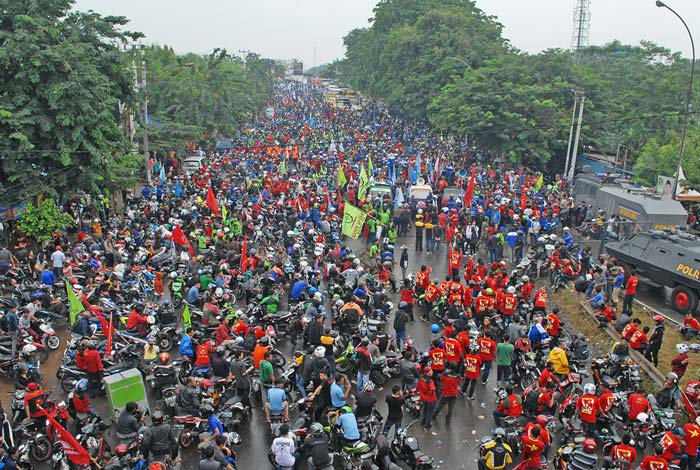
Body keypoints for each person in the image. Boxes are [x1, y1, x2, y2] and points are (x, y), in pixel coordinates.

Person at [417, 366, 437, 434]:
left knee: (425, 410)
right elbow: (432, 389)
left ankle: (423, 421)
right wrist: (431, 392)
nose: (432, 372)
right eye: (430, 371)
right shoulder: (430, 381)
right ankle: (428, 424)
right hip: (431, 399)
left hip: (423, 397)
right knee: (430, 412)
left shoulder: (421, 377)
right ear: (427, 373)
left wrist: (416, 391)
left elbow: (418, 385)